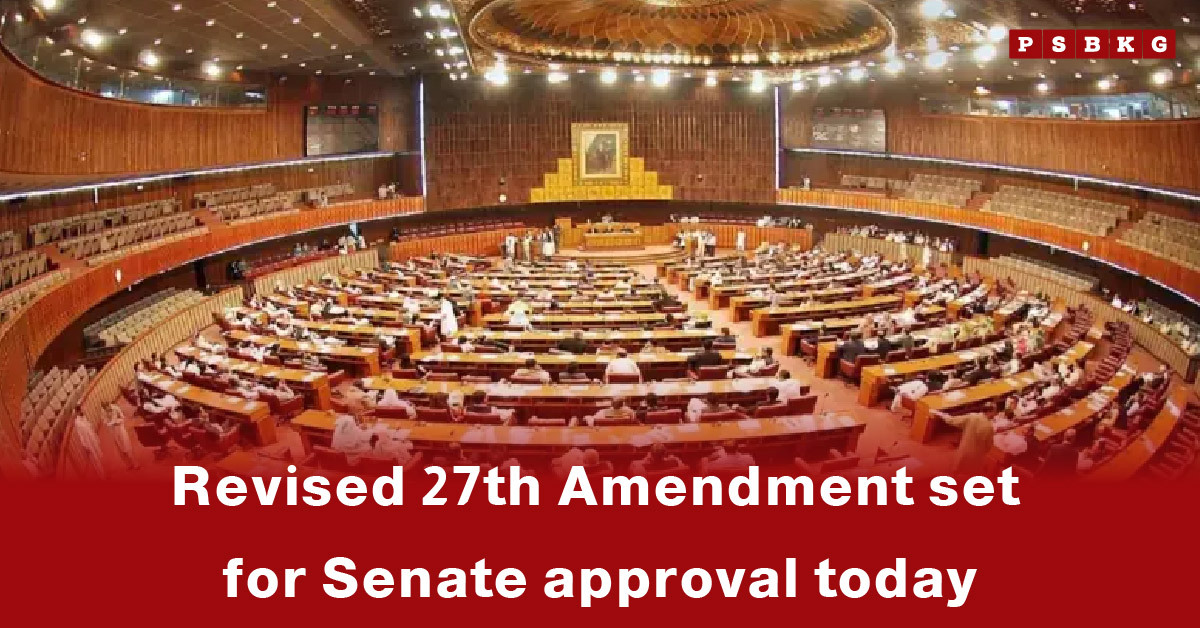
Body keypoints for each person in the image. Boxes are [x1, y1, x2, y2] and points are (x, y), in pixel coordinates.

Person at [932, 406, 996, 475]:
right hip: (976, 456)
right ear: (989, 411)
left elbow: (952, 420)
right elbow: (988, 446)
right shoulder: (989, 427)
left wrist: (940, 414)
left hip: (964, 451)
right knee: (972, 475)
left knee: (957, 472)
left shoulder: (972, 417)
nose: (995, 414)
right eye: (994, 411)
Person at [102, 402, 139, 471]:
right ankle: (128, 465)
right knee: (120, 449)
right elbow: (104, 421)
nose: (108, 411)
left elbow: (122, 417)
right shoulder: (103, 412)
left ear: (109, 406)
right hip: (113, 431)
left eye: (108, 409)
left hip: (120, 428)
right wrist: (109, 423)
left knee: (127, 446)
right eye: (106, 410)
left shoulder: (116, 408)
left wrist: (117, 421)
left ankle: (135, 463)